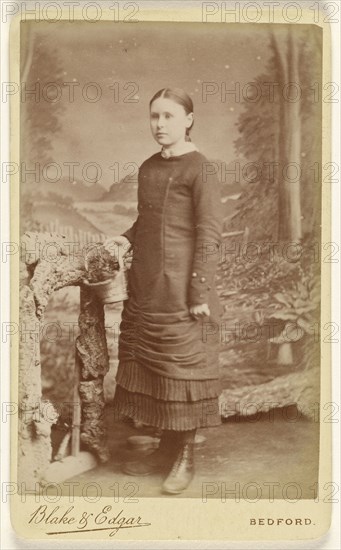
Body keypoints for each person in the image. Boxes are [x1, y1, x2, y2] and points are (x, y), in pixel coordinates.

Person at [104, 87, 223, 495]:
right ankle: (164, 451)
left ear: (188, 119)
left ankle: (185, 457)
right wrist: (126, 238)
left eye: (169, 116)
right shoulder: (148, 167)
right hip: (147, 286)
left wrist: (199, 292)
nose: (160, 125)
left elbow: (209, 233)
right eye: (154, 116)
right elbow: (148, 219)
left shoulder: (200, 169)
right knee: (155, 374)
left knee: (181, 371)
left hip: (183, 290)